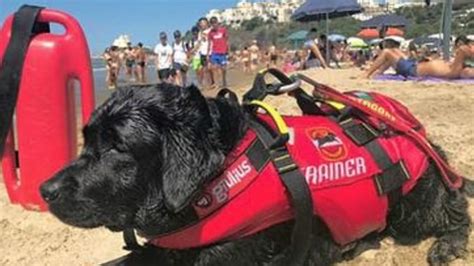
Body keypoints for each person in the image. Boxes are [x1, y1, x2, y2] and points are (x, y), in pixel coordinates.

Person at [365, 37, 474, 79]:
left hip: (412, 70)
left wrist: (463, 52)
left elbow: (462, 51)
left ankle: (366, 74)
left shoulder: (456, 70)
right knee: (395, 51)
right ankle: (379, 72)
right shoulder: (458, 66)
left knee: (387, 52)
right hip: (413, 64)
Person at [207, 16, 228, 89]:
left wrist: (229, 51)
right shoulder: (210, 33)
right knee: (215, 68)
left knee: (224, 69)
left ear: (217, 22)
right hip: (214, 52)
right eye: (212, 23)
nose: (214, 24)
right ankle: (217, 84)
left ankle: (224, 80)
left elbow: (227, 41)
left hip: (223, 52)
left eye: (215, 22)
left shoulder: (223, 30)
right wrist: (207, 54)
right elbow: (209, 44)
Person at [198, 17, 211, 87]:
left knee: (210, 68)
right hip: (202, 53)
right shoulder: (200, 33)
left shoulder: (210, 30)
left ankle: (213, 82)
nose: (202, 24)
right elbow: (199, 43)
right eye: (201, 23)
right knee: (204, 69)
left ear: (207, 22)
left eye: (204, 22)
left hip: (210, 52)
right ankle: (207, 84)